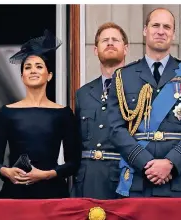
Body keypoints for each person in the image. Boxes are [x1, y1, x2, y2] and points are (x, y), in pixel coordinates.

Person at [107, 8, 181, 197]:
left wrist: (170, 163)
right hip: (138, 178)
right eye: (155, 25)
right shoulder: (123, 76)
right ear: (145, 30)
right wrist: (145, 162)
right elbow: (115, 128)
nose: (161, 31)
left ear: (173, 33)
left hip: (179, 179)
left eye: (167, 27)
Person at [0, 30, 80, 199]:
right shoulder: (7, 112)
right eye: (27, 67)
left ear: (49, 75)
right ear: (22, 76)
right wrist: (6, 171)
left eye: (39, 66)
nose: (33, 71)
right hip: (16, 191)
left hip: (52, 193)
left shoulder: (63, 113)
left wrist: (46, 174)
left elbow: (73, 163)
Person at [72, 22, 129, 200]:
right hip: (89, 178)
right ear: (96, 50)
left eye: (115, 40)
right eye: (105, 40)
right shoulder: (83, 93)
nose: (110, 43)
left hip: (125, 175)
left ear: (125, 48)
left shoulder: (141, 89)